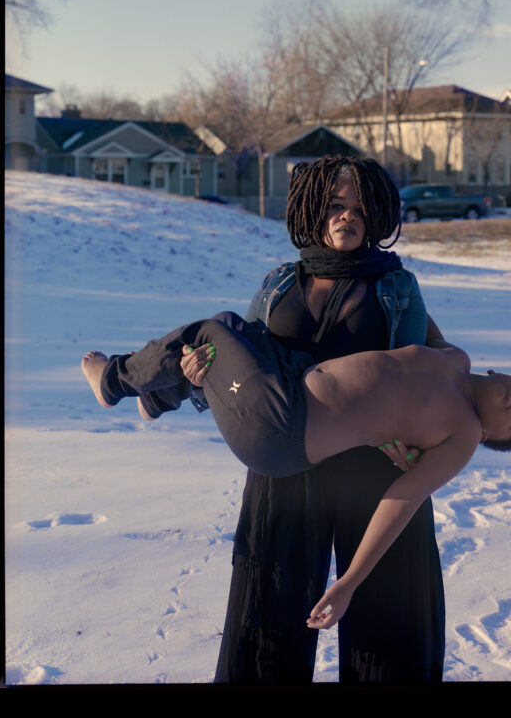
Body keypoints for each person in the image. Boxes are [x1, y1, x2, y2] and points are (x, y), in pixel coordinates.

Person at [87, 157, 454, 683]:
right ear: (311, 209)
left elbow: (416, 379)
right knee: (267, 610)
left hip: (374, 468)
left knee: (391, 617)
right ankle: (148, 387)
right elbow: (249, 369)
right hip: (288, 466)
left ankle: (132, 386)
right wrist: (197, 377)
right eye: (333, 205)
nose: (346, 217)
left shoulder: (397, 288)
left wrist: (416, 450)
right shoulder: (280, 282)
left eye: (358, 208)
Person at [82, 318, 511, 630]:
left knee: (212, 331)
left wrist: (348, 583)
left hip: (280, 430)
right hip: (281, 387)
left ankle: (114, 381)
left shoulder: (461, 435)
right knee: (238, 328)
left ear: (491, 439)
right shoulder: (453, 358)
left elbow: (402, 502)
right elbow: (409, 303)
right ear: (499, 371)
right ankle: (158, 397)